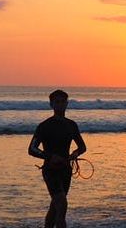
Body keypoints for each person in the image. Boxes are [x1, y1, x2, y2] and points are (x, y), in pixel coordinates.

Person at [28, 89, 87, 228]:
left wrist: (75, 154)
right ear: (51, 104)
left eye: (62, 102)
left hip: (66, 170)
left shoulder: (71, 125)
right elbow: (31, 149)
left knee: (56, 206)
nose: (60, 104)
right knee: (62, 203)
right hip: (50, 170)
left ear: (67, 104)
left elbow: (82, 147)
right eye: (57, 102)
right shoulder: (44, 126)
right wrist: (50, 156)